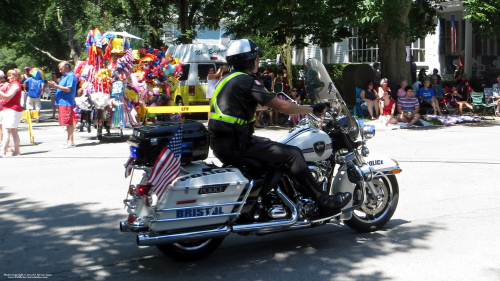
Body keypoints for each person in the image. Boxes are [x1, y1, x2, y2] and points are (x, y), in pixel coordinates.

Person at [208, 39, 351, 217]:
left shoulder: (227, 80)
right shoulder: (247, 81)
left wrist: (268, 105)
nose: (257, 61)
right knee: (293, 154)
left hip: (224, 143)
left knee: (275, 147)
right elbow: (282, 107)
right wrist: (312, 108)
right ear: (248, 60)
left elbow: (247, 106)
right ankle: (322, 201)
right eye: (256, 57)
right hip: (239, 144)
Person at [48, 61, 77, 148]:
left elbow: (68, 89)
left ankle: (71, 141)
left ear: (67, 67)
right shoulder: (65, 77)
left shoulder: (71, 76)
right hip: (62, 102)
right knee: (66, 122)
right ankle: (68, 140)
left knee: (69, 122)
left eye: (61, 69)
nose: (60, 71)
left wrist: (56, 86)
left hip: (66, 102)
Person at [0, 69, 23, 156]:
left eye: (11, 76)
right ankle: (16, 151)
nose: (8, 77)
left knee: (6, 130)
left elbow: (8, 97)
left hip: (12, 109)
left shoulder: (15, 85)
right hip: (12, 109)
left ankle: (3, 152)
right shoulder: (13, 84)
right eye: (8, 75)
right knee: (13, 131)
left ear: (16, 76)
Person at [0, 70, 10, 146]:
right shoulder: (7, 85)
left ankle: (3, 141)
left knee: (2, 125)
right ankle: (3, 141)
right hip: (4, 106)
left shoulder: (7, 85)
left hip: (4, 107)